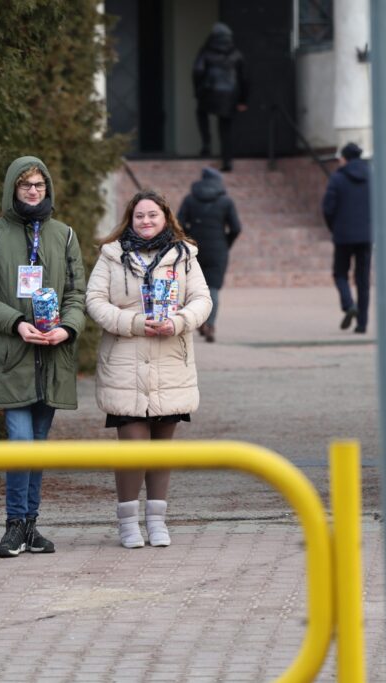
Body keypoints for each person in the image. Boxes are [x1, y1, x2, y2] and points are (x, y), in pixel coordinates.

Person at [0, 155, 86, 557]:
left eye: (39, 185)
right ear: (12, 189)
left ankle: (31, 525)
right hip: (11, 357)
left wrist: (68, 327)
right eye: (25, 185)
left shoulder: (64, 236)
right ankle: (14, 524)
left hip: (52, 358)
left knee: (37, 443)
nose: (33, 191)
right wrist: (17, 322)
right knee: (20, 442)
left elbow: (76, 294)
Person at [86, 189, 212, 549]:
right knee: (133, 448)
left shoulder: (185, 255)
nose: (146, 222)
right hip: (125, 363)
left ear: (165, 218)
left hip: (171, 363)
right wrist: (135, 323)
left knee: (162, 449)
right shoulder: (111, 256)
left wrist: (181, 321)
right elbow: (94, 301)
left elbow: (202, 299)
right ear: (130, 219)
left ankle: (157, 520)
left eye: (152, 216)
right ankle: (128, 521)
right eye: (139, 216)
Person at [177, 167, 241, 342]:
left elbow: (178, 224)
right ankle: (210, 325)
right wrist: (225, 243)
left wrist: (188, 239)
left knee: (193, 287)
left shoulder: (189, 200)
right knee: (212, 289)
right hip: (218, 249)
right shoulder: (226, 201)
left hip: (193, 248)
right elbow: (236, 228)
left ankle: (197, 320)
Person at [322, 142, 373, 334]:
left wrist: (334, 228)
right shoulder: (372, 176)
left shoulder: (337, 178)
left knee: (340, 273)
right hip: (366, 237)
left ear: (345, 158)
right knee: (363, 280)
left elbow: (328, 208)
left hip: (343, 236)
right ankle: (362, 324)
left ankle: (348, 304)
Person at [192, 22, 248, 172]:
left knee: (201, 113)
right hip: (230, 94)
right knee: (225, 128)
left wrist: (197, 91)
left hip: (209, 91)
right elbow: (244, 78)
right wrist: (243, 99)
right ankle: (227, 161)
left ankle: (206, 145)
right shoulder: (236, 54)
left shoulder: (206, 52)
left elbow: (198, 71)